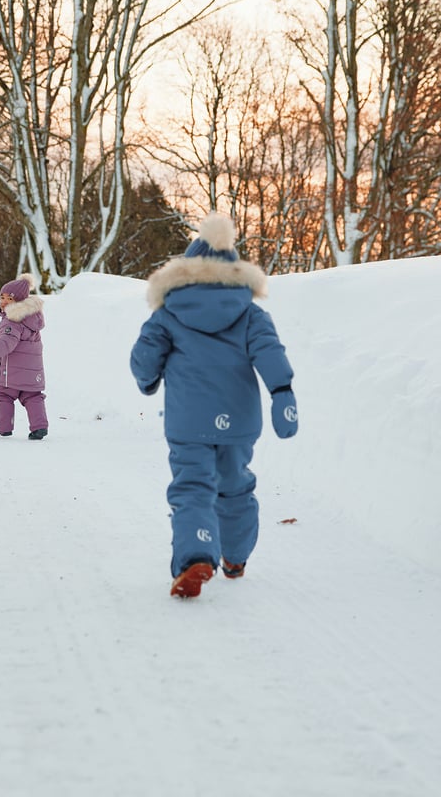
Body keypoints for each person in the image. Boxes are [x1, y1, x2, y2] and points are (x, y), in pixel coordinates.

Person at [130, 212, 298, 598]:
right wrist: (282, 393)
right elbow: (269, 352)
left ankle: (196, 554)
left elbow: (144, 356)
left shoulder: (168, 312)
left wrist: (146, 380)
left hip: (188, 422)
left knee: (192, 487)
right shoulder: (251, 313)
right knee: (235, 486)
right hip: (238, 420)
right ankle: (235, 556)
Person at [0, 273, 49, 440]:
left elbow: (7, 342)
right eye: (1, 297)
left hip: (10, 373)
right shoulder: (33, 319)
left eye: (9, 298)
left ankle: (3, 426)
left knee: (3, 396)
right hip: (33, 373)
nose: (4, 301)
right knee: (33, 397)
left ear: (18, 301)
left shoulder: (13, 320)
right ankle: (39, 427)